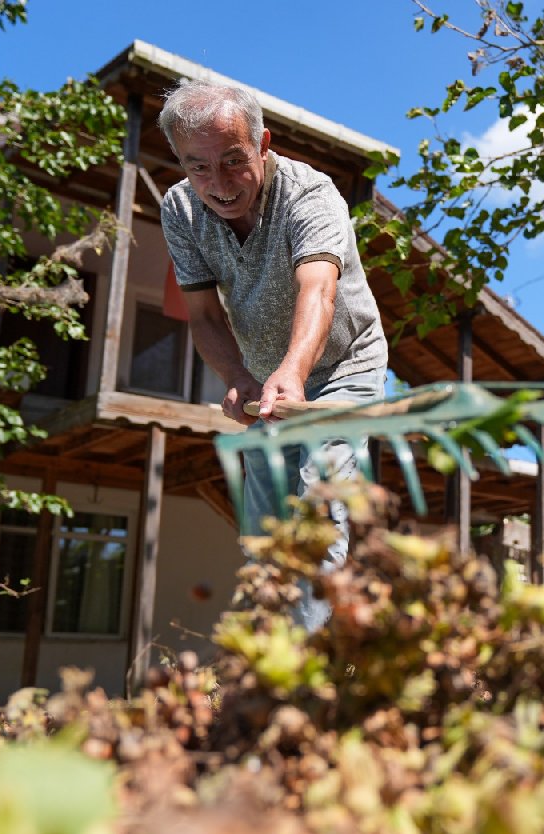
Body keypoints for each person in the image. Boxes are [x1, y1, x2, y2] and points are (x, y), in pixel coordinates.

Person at [158, 79, 388, 632]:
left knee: (316, 498)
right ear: (182, 164)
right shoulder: (180, 210)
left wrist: (294, 371)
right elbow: (205, 317)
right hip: (266, 375)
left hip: (343, 365)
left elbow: (319, 291)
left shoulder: (311, 195)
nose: (220, 184)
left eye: (234, 160)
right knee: (264, 520)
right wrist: (237, 375)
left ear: (262, 144)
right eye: (200, 167)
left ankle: (308, 672)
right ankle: (269, 653)